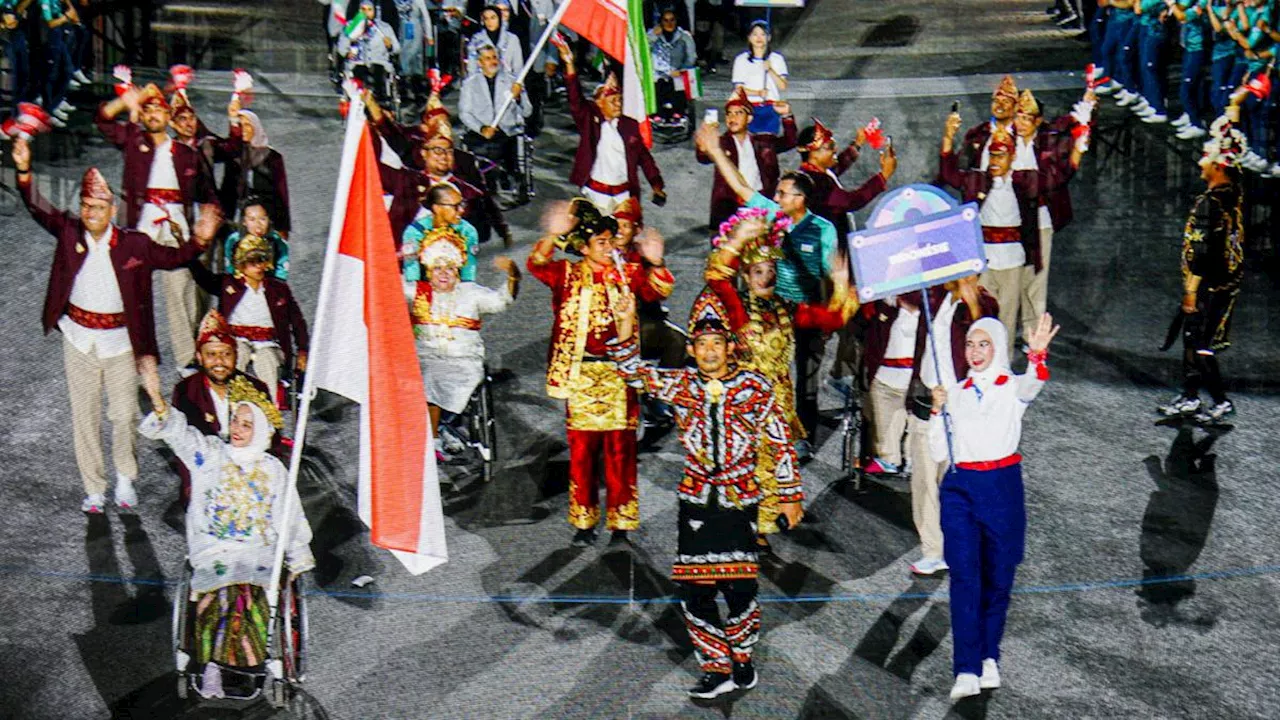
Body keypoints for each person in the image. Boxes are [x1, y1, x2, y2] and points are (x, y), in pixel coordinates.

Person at [606, 285, 802, 700]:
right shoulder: (681, 385)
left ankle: (743, 658)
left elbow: (780, 440)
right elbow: (630, 370)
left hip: (739, 500)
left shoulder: (755, 387)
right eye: (701, 344)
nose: (710, 351)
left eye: (717, 343)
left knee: (740, 589)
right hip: (696, 501)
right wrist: (625, 322)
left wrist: (790, 493)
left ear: (731, 347)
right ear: (691, 350)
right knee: (695, 589)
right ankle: (715, 666)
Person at [12, 137, 219, 513]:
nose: (90, 213)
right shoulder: (69, 231)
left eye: (98, 207)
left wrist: (200, 240)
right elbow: (37, 206)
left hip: (122, 342)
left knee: (123, 414)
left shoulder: (134, 244)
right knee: (84, 415)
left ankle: (125, 477)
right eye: (86, 206)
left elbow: (172, 258)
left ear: (112, 210)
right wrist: (24, 171)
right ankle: (94, 487)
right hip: (78, 339)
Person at [136, 358, 314, 700]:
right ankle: (213, 667)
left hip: (258, 553)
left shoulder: (273, 469)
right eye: (235, 419)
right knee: (221, 591)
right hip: (214, 549)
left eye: (247, 424)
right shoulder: (211, 454)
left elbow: (287, 516)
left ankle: (247, 666)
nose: (237, 427)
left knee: (249, 592)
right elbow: (178, 434)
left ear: (262, 431)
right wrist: (156, 396)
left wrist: (296, 558)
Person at [704, 207, 856, 543]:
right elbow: (716, 279)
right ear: (746, 274)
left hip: (778, 404)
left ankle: (762, 529)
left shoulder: (786, 308)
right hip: (741, 405)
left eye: (771, 269)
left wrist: (841, 282)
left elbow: (832, 319)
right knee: (739, 466)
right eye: (758, 271)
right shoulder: (737, 309)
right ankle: (738, 528)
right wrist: (739, 239)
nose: (766, 277)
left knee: (773, 467)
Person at [526, 200, 673, 546]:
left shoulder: (628, 273)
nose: (611, 248)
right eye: (602, 243)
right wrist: (552, 234)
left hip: (618, 375)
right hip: (580, 376)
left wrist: (656, 261)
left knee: (621, 452)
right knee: (582, 452)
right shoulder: (567, 274)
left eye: (611, 241)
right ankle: (584, 521)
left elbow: (659, 289)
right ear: (584, 247)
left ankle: (621, 524)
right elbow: (536, 263)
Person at [929, 314, 1058, 701]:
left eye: (983, 344)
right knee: (965, 577)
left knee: (999, 578)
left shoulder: (1012, 388)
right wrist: (937, 411)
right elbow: (938, 451)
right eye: (970, 344)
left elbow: (1034, 384)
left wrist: (1037, 354)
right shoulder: (954, 392)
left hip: (1002, 487)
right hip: (960, 489)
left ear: (998, 348)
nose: (974, 352)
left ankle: (988, 655)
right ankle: (965, 667)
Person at [695, 122, 837, 454]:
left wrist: (828, 317)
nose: (776, 198)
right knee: (764, 369)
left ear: (801, 199)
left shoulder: (823, 230)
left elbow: (829, 276)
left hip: (803, 310)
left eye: (783, 194)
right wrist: (716, 151)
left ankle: (800, 435)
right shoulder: (772, 215)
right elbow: (742, 188)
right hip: (769, 307)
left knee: (806, 377)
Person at [96, 83, 219, 373]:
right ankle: (139, 361)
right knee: (135, 294)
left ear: (169, 117)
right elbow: (103, 119)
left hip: (176, 226)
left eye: (159, 110)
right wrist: (124, 102)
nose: (152, 115)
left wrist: (210, 218)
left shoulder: (187, 155)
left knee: (181, 290)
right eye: (147, 109)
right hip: (139, 228)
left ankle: (186, 357)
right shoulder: (132, 140)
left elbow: (208, 194)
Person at [905, 276, 999, 576]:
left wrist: (971, 298)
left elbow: (987, 329)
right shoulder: (933, 297)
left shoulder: (982, 302)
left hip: (960, 405)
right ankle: (933, 551)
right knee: (924, 482)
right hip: (928, 399)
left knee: (957, 483)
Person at [1157, 116, 1246, 424]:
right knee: (1192, 337)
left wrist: (1191, 291)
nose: (1200, 162)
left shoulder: (1208, 204)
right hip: (1226, 283)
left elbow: (1202, 253)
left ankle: (1220, 401)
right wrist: (1234, 107)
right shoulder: (1234, 191)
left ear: (1219, 166)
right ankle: (1191, 396)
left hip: (1209, 286)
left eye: (1206, 158)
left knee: (1199, 342)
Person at [405, 226, 519, 458]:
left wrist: (513, 275)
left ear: (458, 271)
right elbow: (383, 285)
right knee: (423, 378)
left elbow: (501, 301)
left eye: (450, 268)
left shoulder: (471, 292)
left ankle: (439, 431)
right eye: (437, 268)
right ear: (428, 271)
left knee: (438, 381)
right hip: (423, 359)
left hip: (463, 362)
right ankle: (435, 433)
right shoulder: (417, 292)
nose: (444, 274)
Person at [170, 309, 283, 506]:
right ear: (199, 356)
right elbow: (183, 445)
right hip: (206, 468)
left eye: (226, 354)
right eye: (211, 355)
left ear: (236, 355)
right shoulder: (185, 391)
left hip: (248, 469)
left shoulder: (255, 387)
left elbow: (272, 438)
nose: (219, 362)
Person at [1011, 88, 1090, 345]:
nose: (1019, 123)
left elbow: (1070, 128)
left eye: (1025, 118)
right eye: (1017, 117)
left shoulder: (1047, 143)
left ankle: (1033, 337)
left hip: (1038, 220)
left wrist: (1086, 106)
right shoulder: (1004, 139)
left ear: (1037, 121)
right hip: (1006, 221)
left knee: (1035, 281)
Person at [190, 234, 309, 404]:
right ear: (241, 265)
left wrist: (303, 349)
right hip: (236, 339)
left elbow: (297, 321)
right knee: (234, 359)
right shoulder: (228, 284)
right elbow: (203, 278)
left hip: (269, 342)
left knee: (266, 362)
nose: (259, 267)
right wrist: (189, 254)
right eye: (253, 262)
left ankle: (270, 414)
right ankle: (231, 408)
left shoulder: (278, 289)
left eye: (262, 260)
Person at [558, 41, 667, 214]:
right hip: (595, 195)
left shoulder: (629, 125)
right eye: (613, 100)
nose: (618, 104)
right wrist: (570, 64)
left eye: (620, 100)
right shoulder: (590, 121)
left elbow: (644, 157)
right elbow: (575, 99)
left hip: (624, 196)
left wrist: (656, 184)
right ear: (600, 103)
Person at [693, 88, 797, 230]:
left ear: (749, 118)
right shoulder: (721, 142)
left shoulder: (764, 141)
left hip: (760, 203)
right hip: (730, 207)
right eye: (729, 114)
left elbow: (790, 141)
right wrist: (703, 143)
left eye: (738, 113)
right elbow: (702, 158)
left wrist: (787, 116)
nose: (732, 118)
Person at [795, 118, 894, 238]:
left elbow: (838, 166)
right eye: (830, 146)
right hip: (828, 247)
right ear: (813, 154)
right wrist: (883, 175)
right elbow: (851, 202)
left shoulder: (812, 172)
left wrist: (858, 143)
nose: (835, 149)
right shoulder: (816, 181)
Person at [459, 44, 532, 190]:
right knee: (484, 149)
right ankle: (487, 180)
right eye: (487, 58)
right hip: (480, 133)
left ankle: (507, 177)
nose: (492, 61)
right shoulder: (470, 84)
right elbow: (464, 113)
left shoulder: (513, 82)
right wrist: (482, 128)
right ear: (480, 63)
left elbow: (527, 111)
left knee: (505, 146)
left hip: (507, 133)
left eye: (494, 57)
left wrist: (519, 98)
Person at [401, 182, 481, 282]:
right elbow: (412, 271)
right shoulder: (414, 232)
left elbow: (469, 270)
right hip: (425, 289)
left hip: (457, 288)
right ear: (437, 208)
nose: (461, 210)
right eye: (455, 206)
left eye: (462, 204)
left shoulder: (467, 231)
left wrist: (465, 293)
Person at [338, 0, 401, 104]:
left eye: (369, 10)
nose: (366, 13)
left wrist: (390, 45)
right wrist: (347, 52)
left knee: (378, 73)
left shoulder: (384, 28)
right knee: (358, 75)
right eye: (363, 9)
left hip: (379, 63)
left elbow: (397, 48)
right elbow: (341, 47)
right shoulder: (351, 26)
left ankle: (379, 102)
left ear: (374, 11)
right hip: (357, 62)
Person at [731, 20, 788, 135]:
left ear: (769, 37)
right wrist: (757, 93)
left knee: (768, 145)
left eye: (763, 34)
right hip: (749, 109)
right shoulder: (741, 60)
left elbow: (783, 86)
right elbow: (739, 90)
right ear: (749, 37)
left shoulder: (777, 59)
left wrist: (770, 70)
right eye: (755, 34)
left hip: (771, 108)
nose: (759, 38)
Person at [1171, 0, 1211, 139]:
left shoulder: (1202, 3)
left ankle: (1197, 124)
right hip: (1189, 47)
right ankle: (1191, 115)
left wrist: (1171, 4)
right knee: (1193, 86)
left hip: (1197, 48)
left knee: (1186, 88)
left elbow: (1182, 16)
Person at [224, 198, 290, 281]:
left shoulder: (276, 240)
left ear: (269, 220)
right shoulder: (234, 240)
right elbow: (230, 268)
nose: (258, 225)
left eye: (263, 219)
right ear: (244, 221)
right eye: (252, 219)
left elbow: (282, 269)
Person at [40, 0, 80, 127]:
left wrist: (68, 6)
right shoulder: (45, 2)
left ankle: (54, 105)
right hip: (50, 38)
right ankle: (48, 112)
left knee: (67, 71)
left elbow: (74, 18)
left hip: (59, 36)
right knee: (51, 76)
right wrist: (66, 17)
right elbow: (50, 23)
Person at [1133, 0, 1170, 123]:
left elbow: (1138, 9)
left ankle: (1159, 109)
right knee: (1147, 69)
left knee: (1151, 70)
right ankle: (1151, 102)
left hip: (1155, 33)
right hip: (1148, 29)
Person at [466, 3, 524, 76]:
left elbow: (518, 67)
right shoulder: (476, 40)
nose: (489, 22)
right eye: (486, 18)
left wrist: (518, 83)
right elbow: (472, 67)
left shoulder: (512, 39)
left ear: (499, 18)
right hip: (483, 82)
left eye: (493, 17)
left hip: (507, 82)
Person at [393, 0, 433, 107]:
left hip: (416, 29)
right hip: (402, 30)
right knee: (404, 57)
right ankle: (405, 88)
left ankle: (418, 90)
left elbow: (425, 16)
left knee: (416, 57)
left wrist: (429, 35)